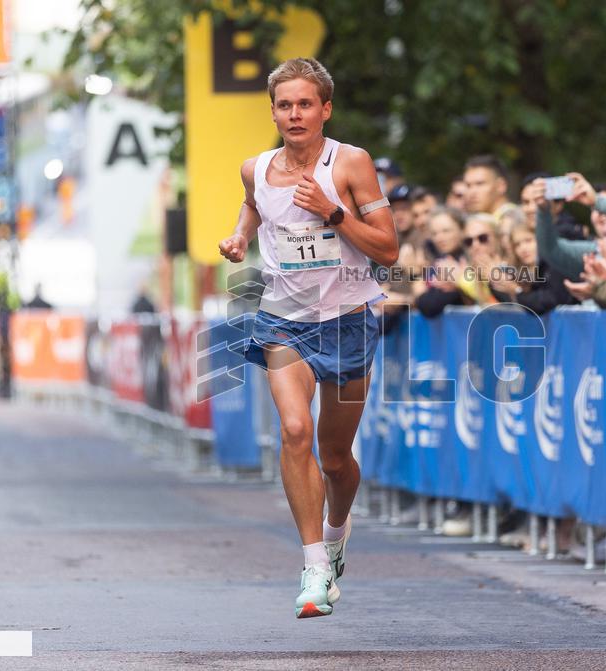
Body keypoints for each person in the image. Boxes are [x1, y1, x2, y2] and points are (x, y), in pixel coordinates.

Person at [218, 58, 398, 619]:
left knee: (336, 457)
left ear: (325, 109)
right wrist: (240, 236)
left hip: (346, 320)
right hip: (283, 320)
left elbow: (388, 249)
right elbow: (254, 205)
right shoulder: (255, 168)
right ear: (273, 112)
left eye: (305, 104)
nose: (294, 114)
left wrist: (333, 212)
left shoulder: (350, 163)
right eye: (284, 105)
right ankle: (314, 563)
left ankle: (337, 532)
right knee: (294, 430)